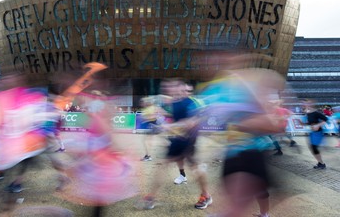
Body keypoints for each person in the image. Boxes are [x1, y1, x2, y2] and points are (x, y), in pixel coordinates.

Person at [198, 52, 287, 217]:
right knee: (234, 204)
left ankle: (263, 214)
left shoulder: (251, 84)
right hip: (232, 152)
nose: (213, 66)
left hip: (252, 151)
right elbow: (205, 115)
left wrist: (238, 124)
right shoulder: (218, 88)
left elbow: (271, 125)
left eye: (225, 61)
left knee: (242, 203)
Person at [137, 78, 212, 210]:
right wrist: (160, 113)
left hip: (189, 141)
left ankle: (206, 195)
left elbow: (190, 123)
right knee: (162, 165)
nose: (167, 89)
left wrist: (166, 126)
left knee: (196, 168)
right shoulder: (174, 102)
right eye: (165, 87)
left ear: (181, 87)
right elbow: (171, 112)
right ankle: (151, 197)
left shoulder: (190, 102)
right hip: (177, 140)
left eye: (171, 86)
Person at [303, 100, 329, 169]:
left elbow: (326, 119)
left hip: (318, 133)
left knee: (314, 148)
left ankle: (322, 164)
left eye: (308, 104)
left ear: (312, 104)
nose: (306, 105)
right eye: (306, 104)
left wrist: (318, 125)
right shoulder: (308, 113)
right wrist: (303, 124)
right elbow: (310, 122)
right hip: (312, 132)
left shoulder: (316, 113)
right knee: (312, 148)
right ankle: (320, 163)